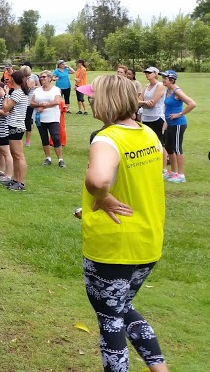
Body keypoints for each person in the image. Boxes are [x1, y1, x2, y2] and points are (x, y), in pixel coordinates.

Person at [79, 74, 168, 372]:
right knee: (122, 309)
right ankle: (159, 368)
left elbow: (100, 179)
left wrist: (101, 196)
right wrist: (94, 205)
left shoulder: (107, 138)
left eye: (94, 95)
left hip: (113, 247)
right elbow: (141, 179)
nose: (90, 99)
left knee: (110, 319)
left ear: (106, 100)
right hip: (146, 241)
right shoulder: (147, 134)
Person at [160, 70, 195, 183]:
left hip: (178, 124)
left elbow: (192, 104)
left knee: (177, 148)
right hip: (170, 123)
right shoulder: (168, 91)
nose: (163, 80)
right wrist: (165, 122)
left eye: (165, 78)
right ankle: (173, 171)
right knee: (169, 147)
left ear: (171, 80)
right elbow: (167, 108)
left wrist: (179, 114)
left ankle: (181, 174)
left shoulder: (177, 91)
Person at [0, 70, 30, 191]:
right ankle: (16, 179)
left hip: (16, 125)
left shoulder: (17, 93)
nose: (8, 80)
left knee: (18, 155)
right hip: (14, 125)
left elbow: (5, 108)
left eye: (10, 78)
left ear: (13, 80)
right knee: (15, 155)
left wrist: (5, 94)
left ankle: (21, 182)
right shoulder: (19, 92)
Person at [138, 67, 167, 175]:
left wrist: (142, 103)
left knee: (160, 143)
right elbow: (138, 101)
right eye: (146, 73)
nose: (147, 74)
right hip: (145, 118)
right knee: (148, 143)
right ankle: (151, 164)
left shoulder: (159, 86)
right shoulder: (146, 87)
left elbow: (153, 103)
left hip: (157, 117)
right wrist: (144, 103)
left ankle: (164, 168)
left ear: (155, 74)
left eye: (149, 73)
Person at [33, 70, 65, 167]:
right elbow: (31, 103)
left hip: (53, 117)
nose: (42, 78)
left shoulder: (56, 89)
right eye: (41, 77)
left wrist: (44, 106)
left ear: (50, 79)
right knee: (44, 138)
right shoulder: (37, 90)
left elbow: (57, 101)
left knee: (55, 137)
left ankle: (60, 159)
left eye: (44, 77)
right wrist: (39, 105)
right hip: (40, 118)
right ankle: (48, 158)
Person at [21, 63, 40, 147]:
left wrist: (32, 86)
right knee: (21, 120)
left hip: (29, 102)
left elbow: (38, 86)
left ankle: (27, 141)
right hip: (21, 102)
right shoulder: (20, 79)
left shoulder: (33, 77)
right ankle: (19, 139)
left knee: (28, 121)